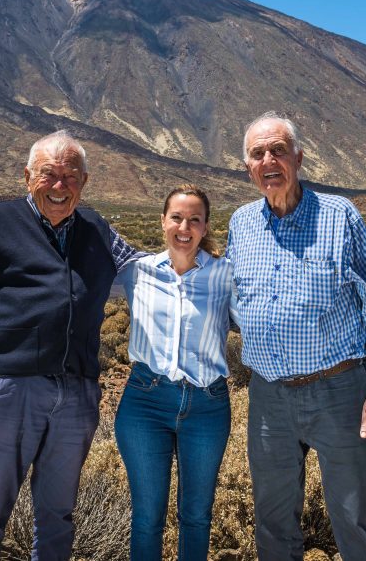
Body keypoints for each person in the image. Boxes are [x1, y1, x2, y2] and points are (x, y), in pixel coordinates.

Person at [0, 130, 142, 561]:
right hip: (10, 389)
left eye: (71, 177)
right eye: (49, 175)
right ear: (28, 177)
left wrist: (203, 271)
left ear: (85, 181)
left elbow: (146, 273)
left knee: (58, 516)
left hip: (77, 393)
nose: (60, 186)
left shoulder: (97, 229)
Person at [225, 112, 366, 561]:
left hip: (340, 390)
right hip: (268, 395)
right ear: (247, 166)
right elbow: (230, 299)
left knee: (353, 514)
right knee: (272, 515)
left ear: (299, 158)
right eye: (257, 153)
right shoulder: (241, 224)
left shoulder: (339, 215)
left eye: (278, 151)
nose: (269, 161)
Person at [113, 184, 237, 561]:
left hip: (207, 405)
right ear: (163, 221)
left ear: (205, 226)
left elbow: (256, 318)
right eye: (177, 218)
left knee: (197, 517)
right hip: (145, 403)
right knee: (147, 517)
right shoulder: (137, 272)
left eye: (194, 220)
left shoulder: (224, 275)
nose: (185, 227)